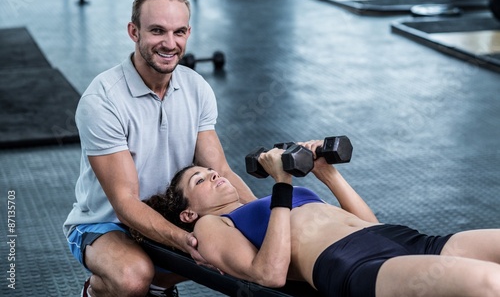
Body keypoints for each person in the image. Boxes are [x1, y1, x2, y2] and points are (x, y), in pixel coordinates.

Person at [63, 0, 256, 297]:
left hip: (170, 212)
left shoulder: (196, 88)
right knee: (132, 278)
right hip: (106, 224)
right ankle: (99, 291)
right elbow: (125, 204)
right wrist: (186, 243)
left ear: (188, 33)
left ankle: (158, 286)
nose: (170, 43)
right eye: (157, 31)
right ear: (134, 31)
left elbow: (220, 167)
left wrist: (262, 216)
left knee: (253, 252)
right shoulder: (102, 101)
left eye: (179, 32)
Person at [137, 139, 500, 297]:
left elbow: (369, 225)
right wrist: (282, 182)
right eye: (200, 179)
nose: (215, 174)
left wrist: (329, 176)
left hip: (403, 240)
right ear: (188, 211)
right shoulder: (211, 225)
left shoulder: (272, 201)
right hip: (355, 265)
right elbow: (268, 274)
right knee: (491, 282)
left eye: (211, 171)